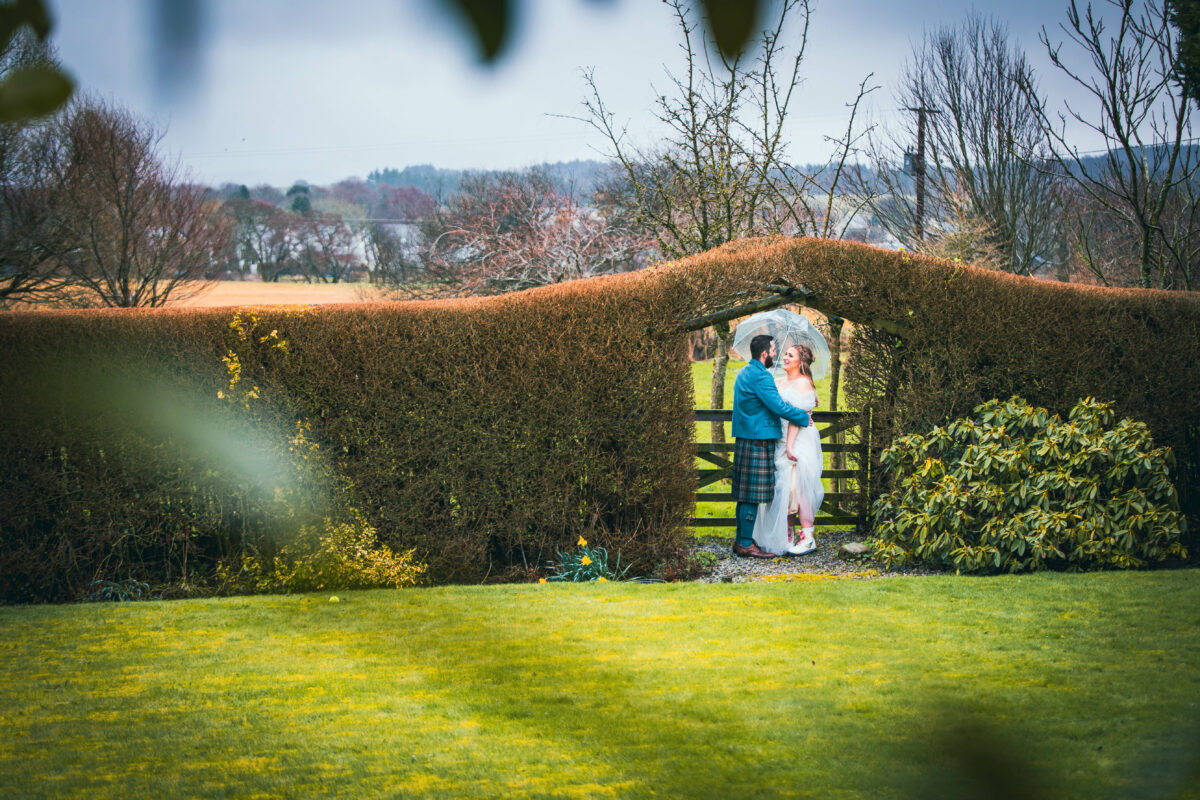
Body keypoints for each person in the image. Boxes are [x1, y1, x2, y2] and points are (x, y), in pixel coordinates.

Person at [730, 334, 811, 559]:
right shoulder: (761, 376)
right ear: (764, 353)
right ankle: (745, 543)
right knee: (751, 496)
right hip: (757, 441)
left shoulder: (746, 371)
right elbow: (778, 406)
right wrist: (803, 417)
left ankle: (741, 540)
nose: (777, 355)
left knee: (745, 495)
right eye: (775, 350)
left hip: (747, 439)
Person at [753, 344, 824, 556]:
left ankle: (808, 537)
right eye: (784, 354)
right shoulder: (779, 381)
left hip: (799, 439)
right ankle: (788, 535)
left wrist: (790, 446)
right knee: (785, 489)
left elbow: (797, 418)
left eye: (790, 355)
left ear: (801, 362)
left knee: (801, 487)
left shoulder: (803, 383)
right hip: (781, 439)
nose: (784, 357)